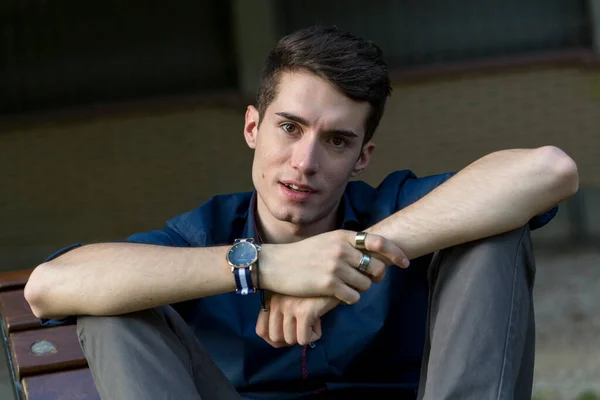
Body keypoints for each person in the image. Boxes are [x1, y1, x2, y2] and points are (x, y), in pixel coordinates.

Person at [24, 26, 578, 400]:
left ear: (362, 157)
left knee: (494, 231)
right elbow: (50, 285)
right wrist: (262, 267)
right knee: (112, 301)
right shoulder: (202, 235)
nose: (304, 161)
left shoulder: (392, 207)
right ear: (251, 128)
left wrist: (353, 257)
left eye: (335, 141)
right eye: (289, 127)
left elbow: (549, 170)